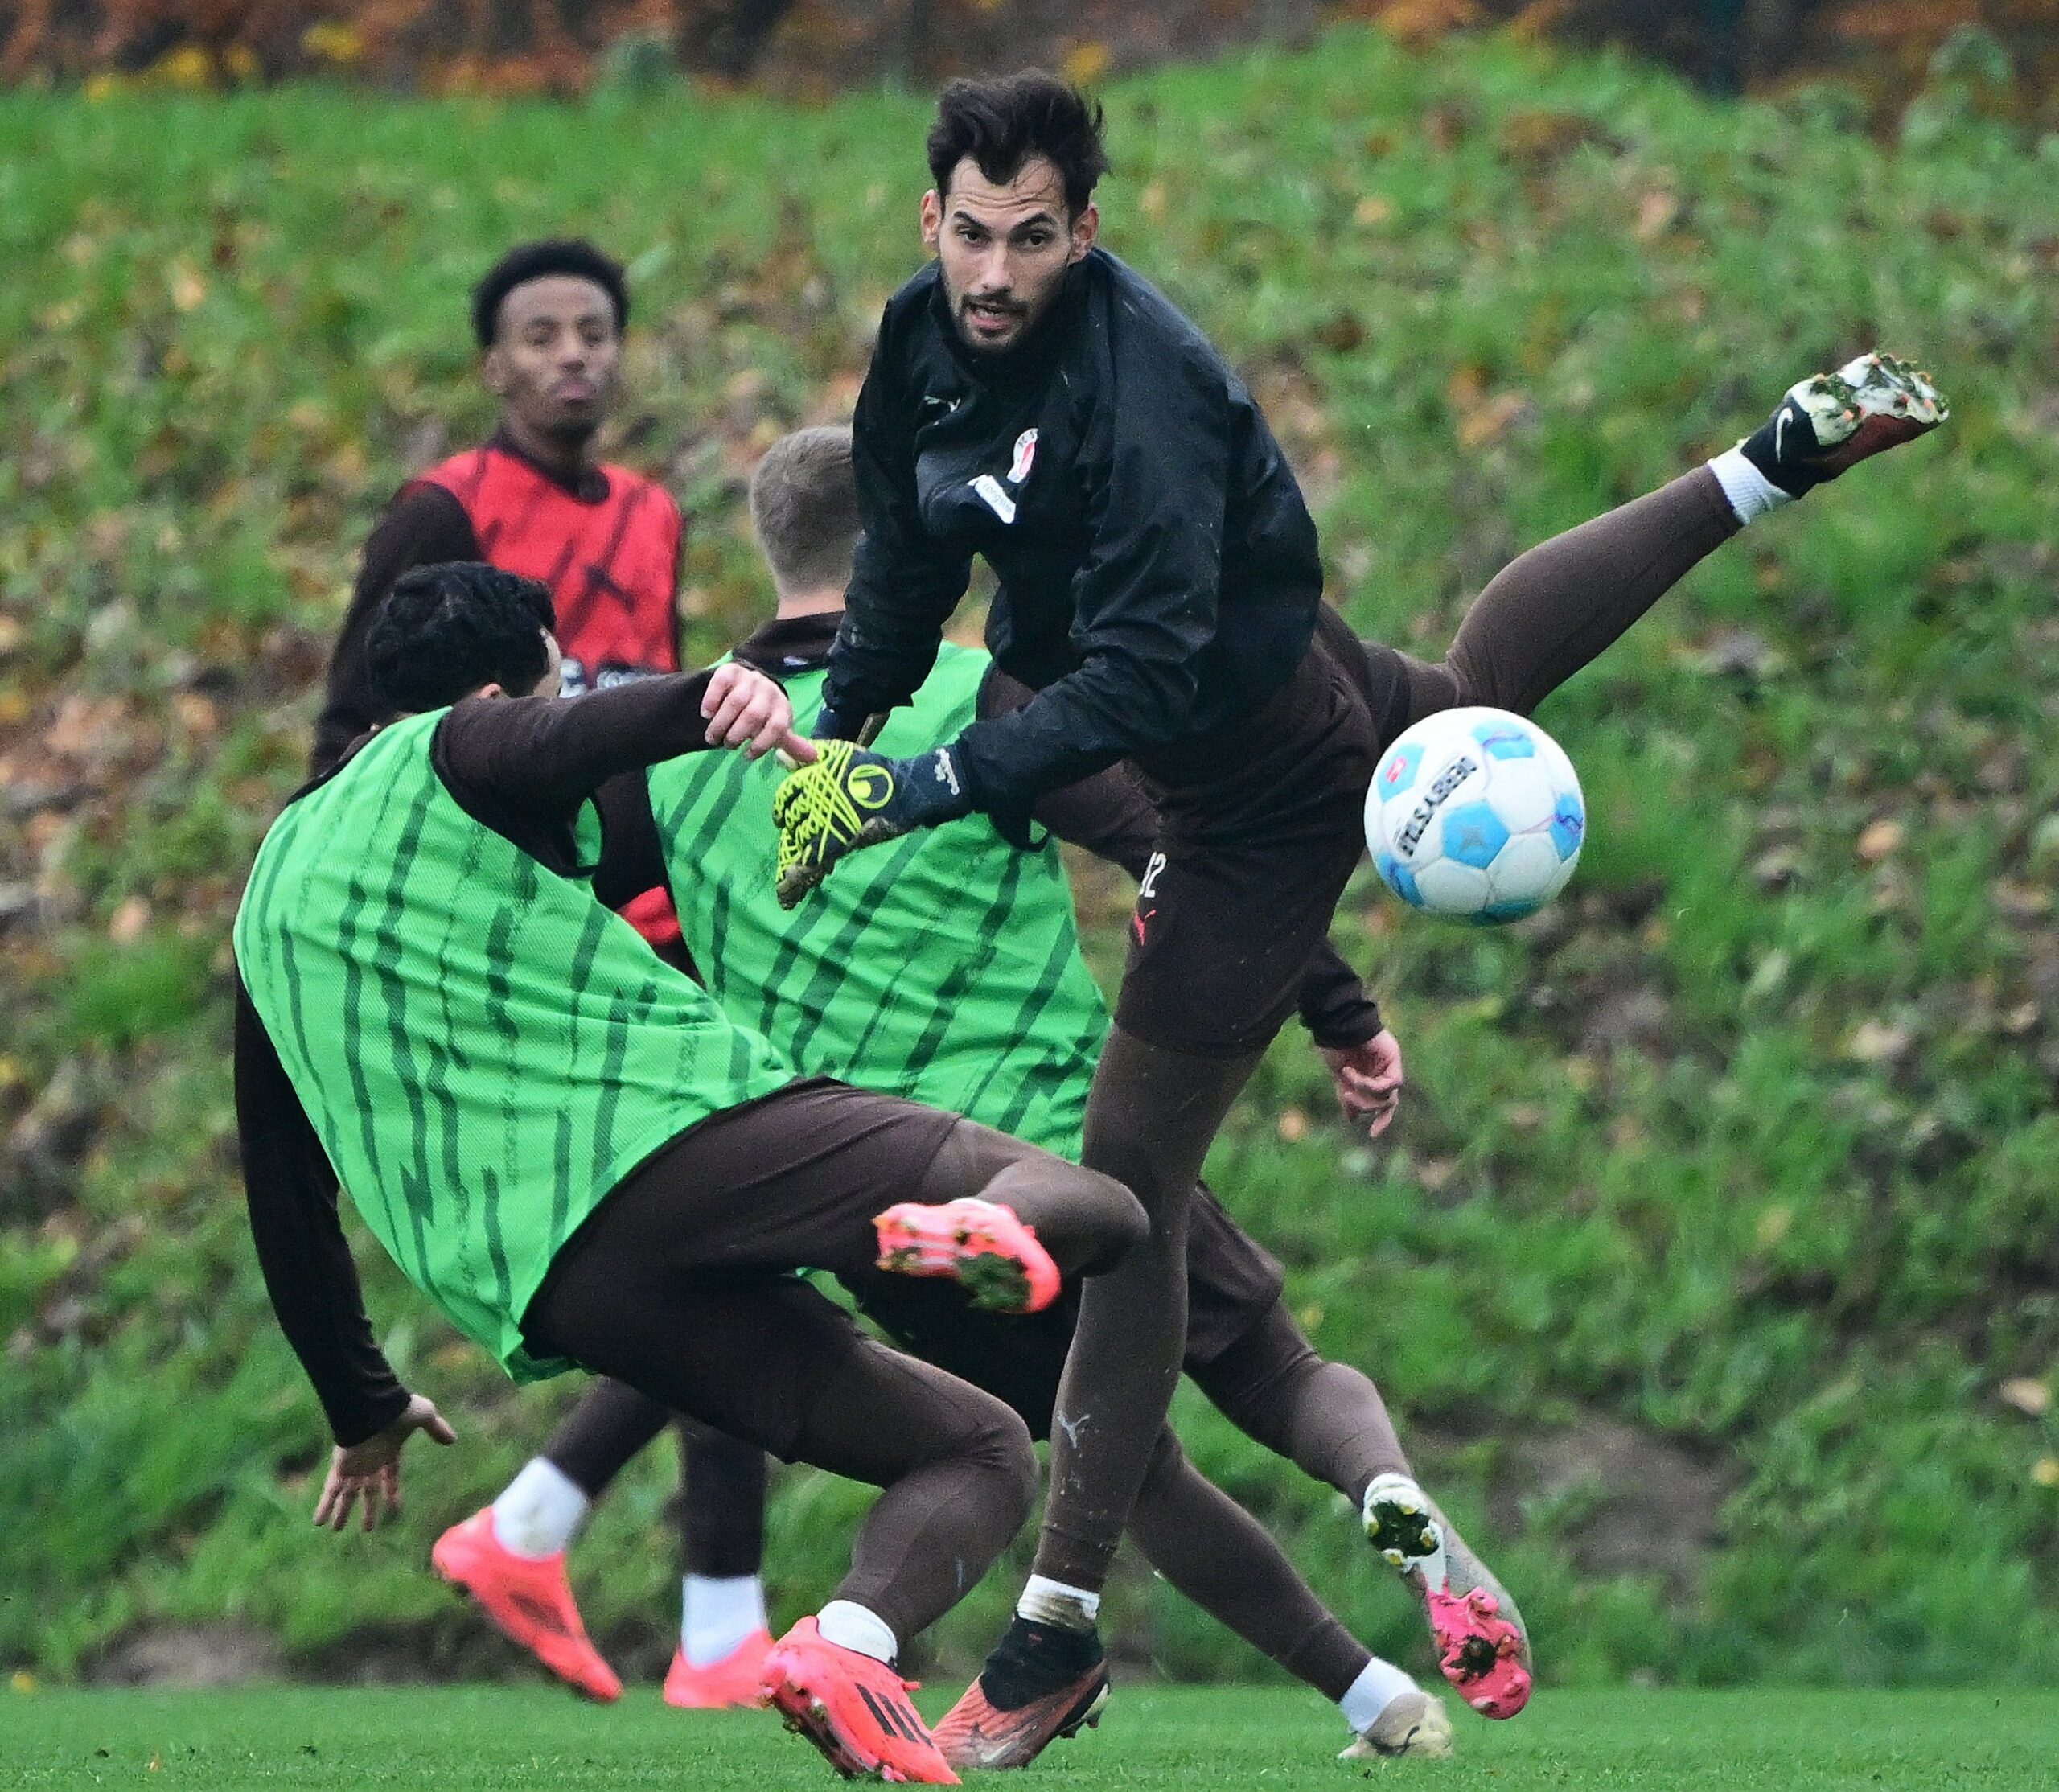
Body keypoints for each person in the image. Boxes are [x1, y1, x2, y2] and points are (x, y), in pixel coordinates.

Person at [766, 67, 1947, 1758]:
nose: (996, 271)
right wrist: (851, 725)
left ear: (1086, 234)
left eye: (1034, 238)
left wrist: (920, 784)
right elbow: (901, 553)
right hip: (1270, 691)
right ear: (929, 219)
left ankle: (1049, 1630)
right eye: (971, 234)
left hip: (1252, 787)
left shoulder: (1151, 386)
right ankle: (1768, 461)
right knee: (1466, 683)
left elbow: (1133, 678)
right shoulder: (924, 335)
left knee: (1130, 1202)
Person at [437, 426, 1474, 1761]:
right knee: (1272, 1366)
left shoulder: (677, 747)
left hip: (865, 1195)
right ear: (898, 544)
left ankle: (1380, 1701)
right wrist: (1339, 1007)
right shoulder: (989, 694)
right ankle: (1387, 1489)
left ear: (772, 548)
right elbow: (1179, 846)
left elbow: (554, 883)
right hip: (1050, 1143)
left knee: (1126, 1467)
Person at [232, 561, 1150, 1785]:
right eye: (549, 683)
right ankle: (979, 1220)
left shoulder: (265, 901)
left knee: (977, 1450)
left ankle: (848, 1649)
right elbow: (565, 731)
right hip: (682, 1137)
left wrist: (360, 1404)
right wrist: (709, 699)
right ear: (508, 688)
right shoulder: (460, 746)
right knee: (1115, 1209)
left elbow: (282, 1187)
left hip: (556, 1284)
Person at [310, 237, 687, 951]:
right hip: (501, 887)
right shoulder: (445, 508)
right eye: (541, 338)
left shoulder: (655, 512)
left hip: (644, 894)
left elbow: (659, 678)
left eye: (594, 334)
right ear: (495, 367)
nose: (572, 354)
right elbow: (357, 712)